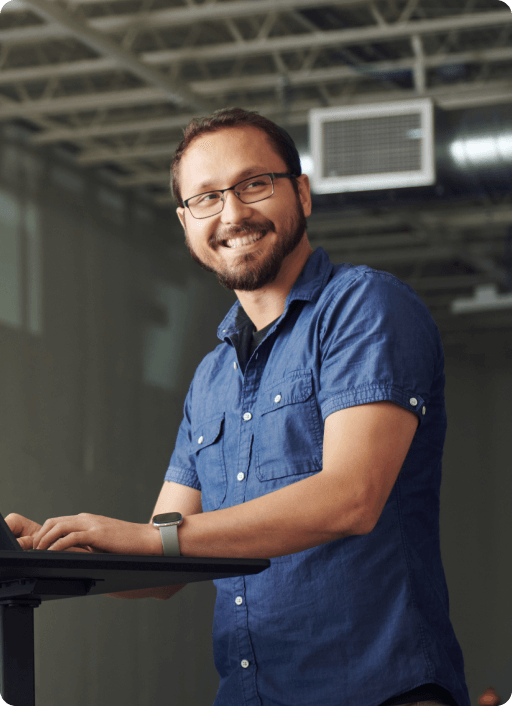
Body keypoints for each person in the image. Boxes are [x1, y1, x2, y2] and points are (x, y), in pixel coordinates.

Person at [7, 108, 471, 706]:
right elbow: (166, 567)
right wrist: (49, 555)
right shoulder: (210, 378)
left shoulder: (365, 307)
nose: (232, 213)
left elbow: (352, 497)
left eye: (254, 184)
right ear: (185, 222)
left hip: (380, 692)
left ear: (300, 192)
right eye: (205, 198)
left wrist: (151, 540)